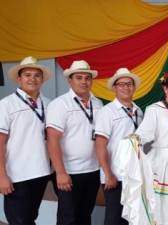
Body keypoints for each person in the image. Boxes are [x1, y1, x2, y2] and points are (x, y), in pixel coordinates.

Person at [118, 69, 168, 225]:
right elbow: (145, 133)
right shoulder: (154, 109)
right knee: (162, 201)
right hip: (163, 161)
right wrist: (135, 139)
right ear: (165, 89)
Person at [46, 60, 103, 225]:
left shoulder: (98, 103)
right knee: (68, 219)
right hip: (69, 172)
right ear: (70, 80)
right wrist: (60, 173)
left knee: (85, 216)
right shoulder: (60, 104)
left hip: (92, 171)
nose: (84, 81)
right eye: (79, 77)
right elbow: (53, 140)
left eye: (87, 78)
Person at [0, 56, 52, 224]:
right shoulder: (6, 105)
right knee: (18, 220)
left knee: (30, 218)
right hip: (17, 175)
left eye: (37, 75)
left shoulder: (49, 104)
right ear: (19, 78)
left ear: (42, 79)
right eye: (27, 75)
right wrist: (2, 176)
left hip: (42, 172)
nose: (32, 79)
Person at [95, 68, 143, 225]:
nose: (126, 87)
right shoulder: (107, 112)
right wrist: (108, 174)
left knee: (132, 218)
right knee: (114, 218)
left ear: (134, 87)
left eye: (129, 84)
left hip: (134, 175)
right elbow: (100, 145)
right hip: (115, 176)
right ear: (114, 88)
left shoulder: (139, 111)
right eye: (121, 84)